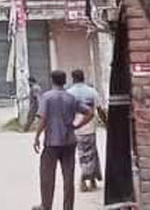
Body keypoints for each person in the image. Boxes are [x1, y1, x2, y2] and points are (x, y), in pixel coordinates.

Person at [32, 70, 94, 210]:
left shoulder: (46, 97)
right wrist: (78, 125)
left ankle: (46, 205)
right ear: (65, 81)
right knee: (68, 177)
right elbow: (90, 112)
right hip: (69, 142)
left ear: (52, 80)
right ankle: (68, 207)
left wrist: (37, 137)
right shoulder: (71, 98)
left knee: (47, 176)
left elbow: (43, 119)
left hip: (51, 143)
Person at [67, 69, 106, 192]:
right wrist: (106, 123)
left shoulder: (69, 93)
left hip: (75, 128)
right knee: (90, 153)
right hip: (89, 128)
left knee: (84, 154)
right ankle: (84, 179)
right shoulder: (92, 91)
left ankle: (92, 179)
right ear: (83, 77)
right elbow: (100, 110)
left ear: (73, 78)